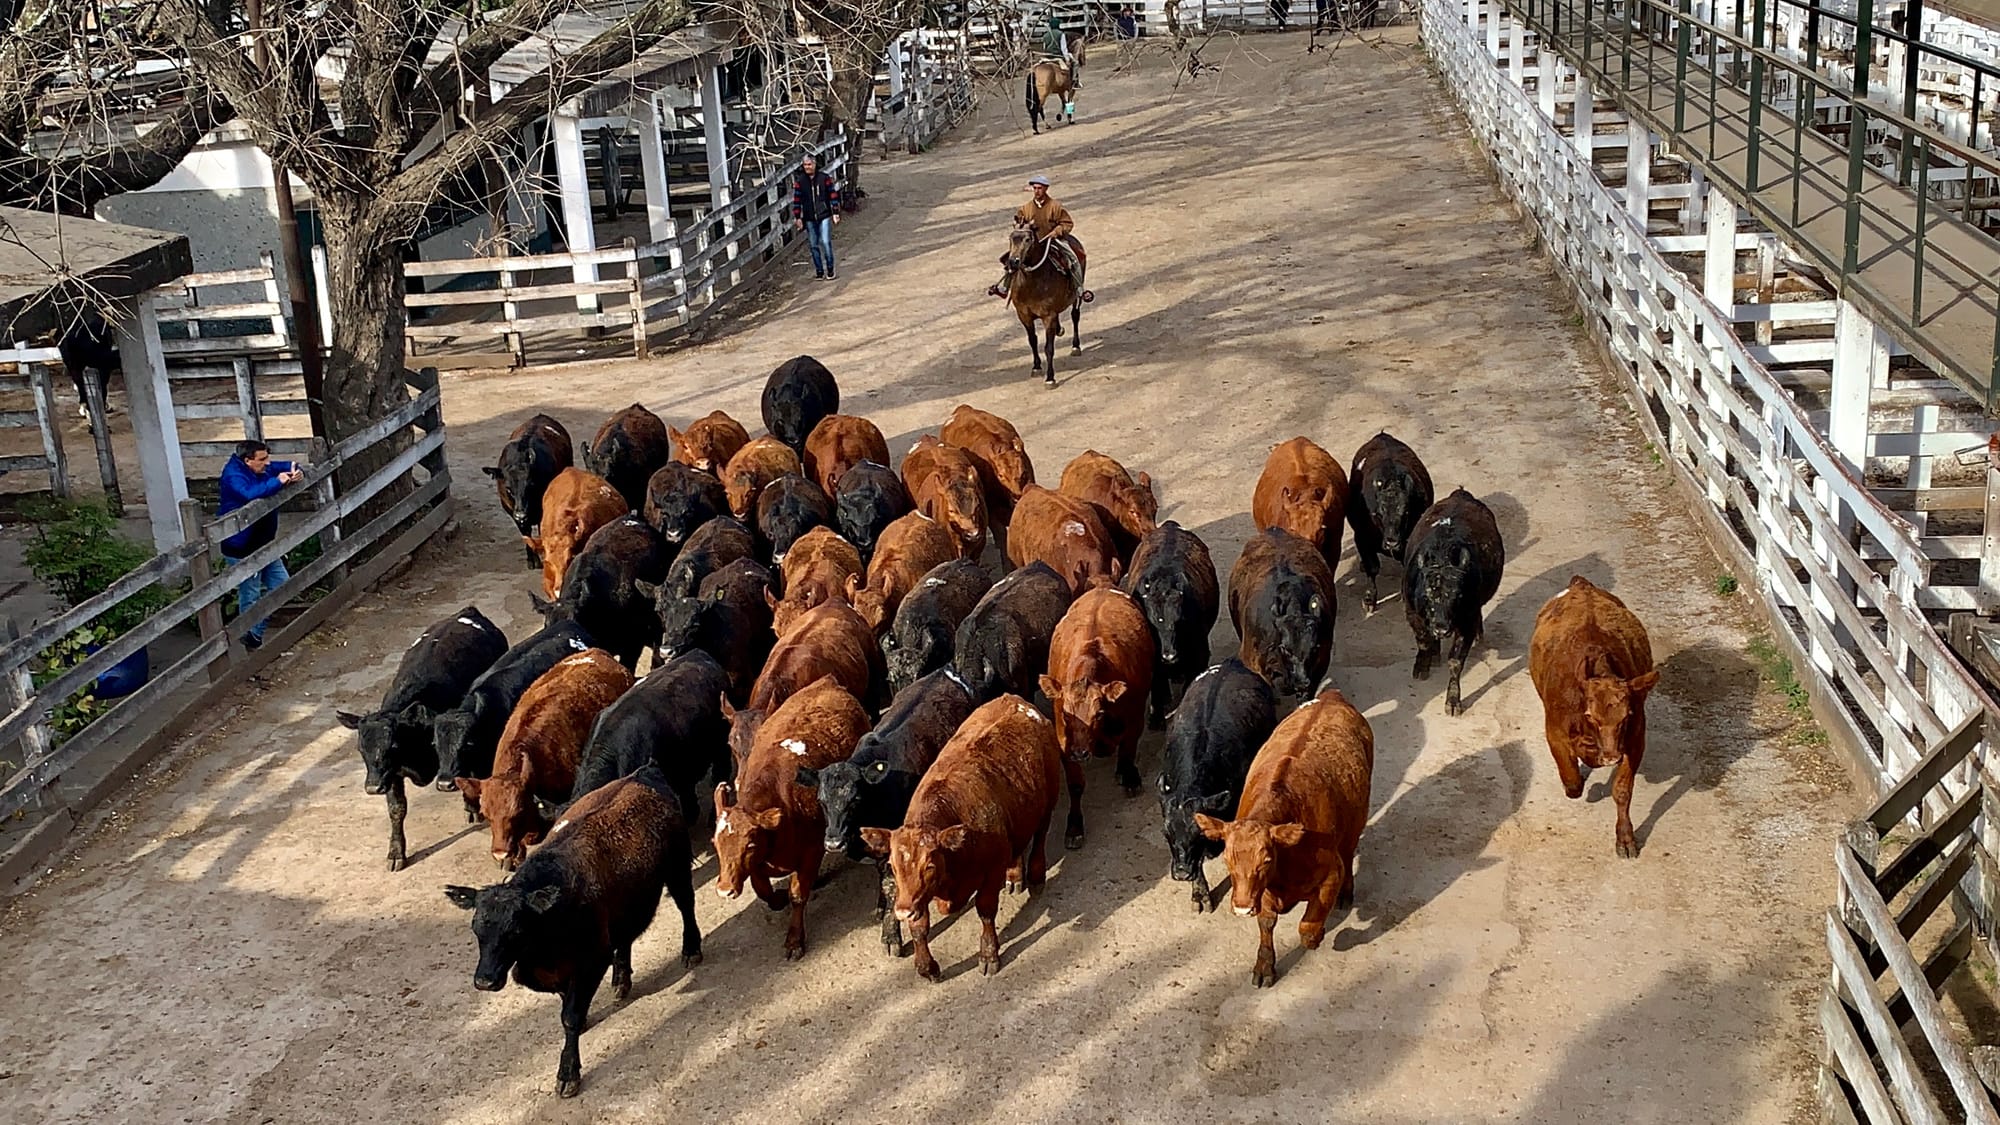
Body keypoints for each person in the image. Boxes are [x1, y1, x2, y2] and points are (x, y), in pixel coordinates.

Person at [217, 439, 303, 651]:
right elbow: (249, 494)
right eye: (262, 459)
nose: (267, 463)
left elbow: (278, 466)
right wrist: (279, 481)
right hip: (242, 547)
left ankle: (253, 634)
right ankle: (251, 641)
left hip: (263, 543)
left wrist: (293, 469)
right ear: (248, 461)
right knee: (251, 593)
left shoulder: (257, 468)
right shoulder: (233, 476)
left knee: (283, 585)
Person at [987, 174, 1085, 299]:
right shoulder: (1026, 208)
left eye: (1040, 188)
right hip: (1030, 242)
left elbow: (1067, 223)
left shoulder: (1055, 206)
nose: (1037, 191)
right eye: (1035, 188)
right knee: (1012, 259)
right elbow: (1019, 222)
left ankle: (1079, 289)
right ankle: (1004, 288)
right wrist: (1019, 227)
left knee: (1073, 258)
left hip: (1052, 240)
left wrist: (1056, 232)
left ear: (1046, 189)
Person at [792, 153, 842, 280]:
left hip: (824, 214)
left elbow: (832, 195)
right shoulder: (800, 182)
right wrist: (798, 217)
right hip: (809, 217)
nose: (807, 167)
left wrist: (835, 212)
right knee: (813, 244)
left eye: (809, 164)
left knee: (825, 241)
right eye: (805, 165)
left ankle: (830, 269)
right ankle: (819, 271)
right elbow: (797, 200)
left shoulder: (824, 178)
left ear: (814, 164)